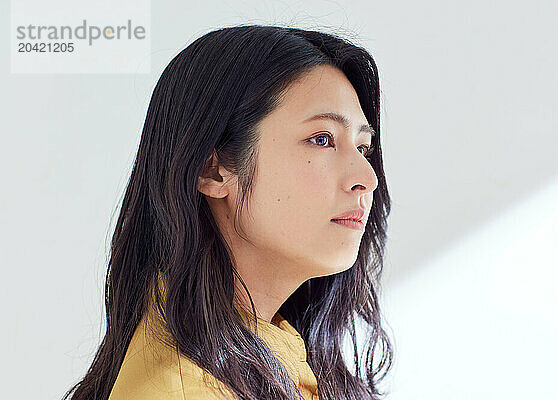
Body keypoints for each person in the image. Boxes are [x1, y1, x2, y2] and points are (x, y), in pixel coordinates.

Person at [62, 24, 394, 400]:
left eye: (364, 147)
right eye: (322, 139)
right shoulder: (183, 391)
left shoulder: (282, 354)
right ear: (214, 169)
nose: (367, 178)